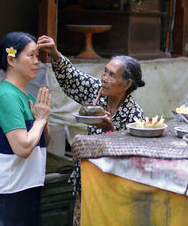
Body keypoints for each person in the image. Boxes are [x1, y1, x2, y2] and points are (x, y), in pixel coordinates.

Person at [37, 35, 145, 226]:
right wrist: (54, 53)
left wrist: (110, 131)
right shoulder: (98, 93)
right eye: (105, 72)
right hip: (87, 182)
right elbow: (72, 79)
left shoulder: (134, 115)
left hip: (113, 188)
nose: (104, 78)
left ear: (127, 84)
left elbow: (132, 158)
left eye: (112, 75)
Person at [0, 31, 52, 226]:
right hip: (11, 189)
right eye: (30, 55)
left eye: (37, 56)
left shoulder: (25, 95)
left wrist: (44, 120)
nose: (36, 62)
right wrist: (39, 121)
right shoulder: (7, 96)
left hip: (27, 184)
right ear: (12, 60)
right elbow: (22, 148)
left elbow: (43, 141)